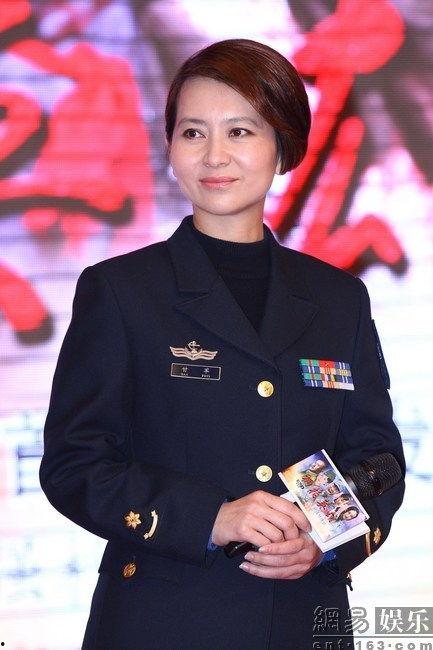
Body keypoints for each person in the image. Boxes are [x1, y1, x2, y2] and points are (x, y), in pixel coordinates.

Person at [39, 38, 405, 650]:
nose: (214, 156)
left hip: (303, 621)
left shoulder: (339, 299)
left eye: (240, 131)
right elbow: (75, 464)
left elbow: (375, 457)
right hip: (162, 623)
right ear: (170, 149)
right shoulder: (121, 291)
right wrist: (209, 517)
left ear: (282, 147)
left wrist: (322, 538)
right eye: (192, 133)